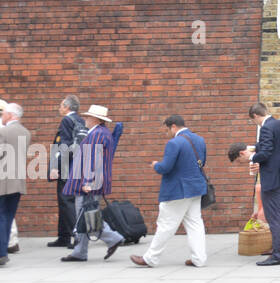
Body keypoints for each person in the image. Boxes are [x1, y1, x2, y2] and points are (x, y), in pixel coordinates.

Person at [131, 114, 207, 268]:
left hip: (177, 190)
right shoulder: (200, 140)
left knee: (166, 224)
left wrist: (155, 165)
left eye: (167, 130)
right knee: (195, 224)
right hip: (196, 188)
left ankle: (150, 258)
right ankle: (199, 259)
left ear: (173, 126)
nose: (167, 134)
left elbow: (165, 167)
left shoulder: (174, 143)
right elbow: (202, 162)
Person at [62, 105, 125, 263]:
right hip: (90, 181)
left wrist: (87, 182)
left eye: (88, 117)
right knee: (84, 216)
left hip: (89, 182)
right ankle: (80, 251)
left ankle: (113, 238)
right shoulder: (99, 133)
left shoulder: (97, 134)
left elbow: (93, 160)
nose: (86, 119)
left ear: (96, 119)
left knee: (87, 215)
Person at [246, 103, 280, 266]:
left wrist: (251, 157)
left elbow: (266, 153)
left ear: (255, 116)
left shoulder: (266, 128)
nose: (255, 124)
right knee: (279, 215)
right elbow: (279, 149)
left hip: (272, 178)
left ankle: (278, 254)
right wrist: (256, 148)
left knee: (273, 217)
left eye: (253, 121)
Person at [49, 95, 86, 248]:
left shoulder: (66, 120)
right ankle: (63, 236)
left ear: (67, 107)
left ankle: (75, 236)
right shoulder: (80, 120)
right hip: (76, 165)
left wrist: (56, 167)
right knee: (67, 201)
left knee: (66, 202)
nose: (59, 108)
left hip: (65, 166)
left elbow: (64, 145)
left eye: (61, 105)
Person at [0, 103, 30, 267]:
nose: (2, 116)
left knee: (2, 217)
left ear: (11, 115)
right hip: (17, 181)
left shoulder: (3, 132)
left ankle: (1, 252)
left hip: (3, 181)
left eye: (3, 113)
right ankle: (3, 250)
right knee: (8, 216)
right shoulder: (26, 133)